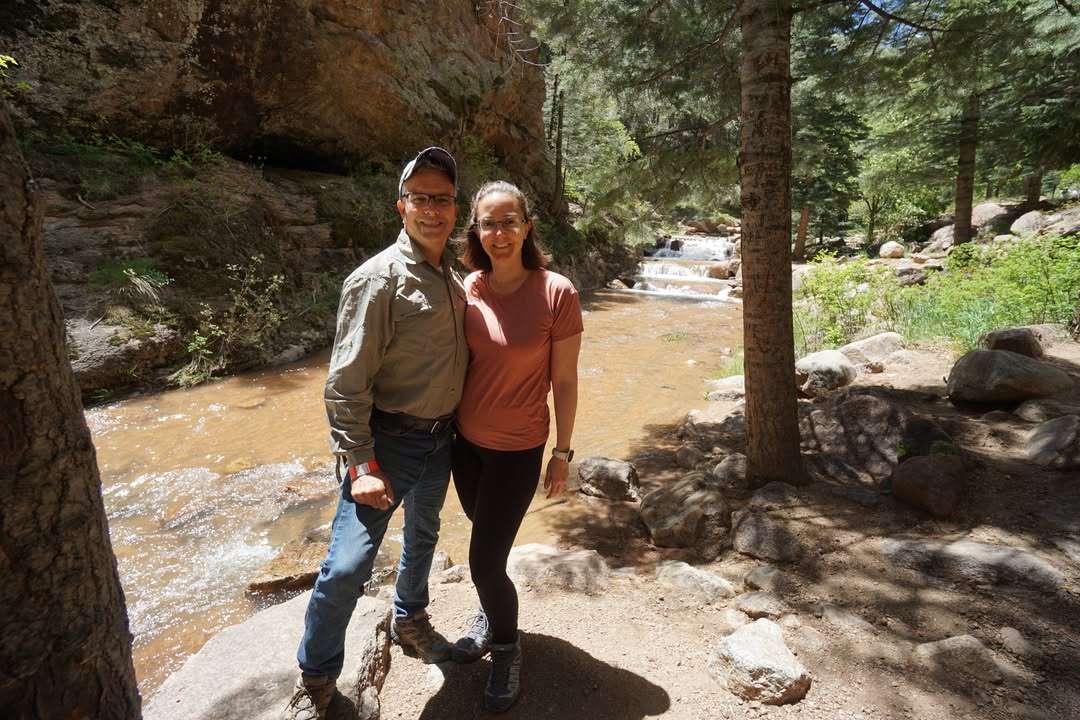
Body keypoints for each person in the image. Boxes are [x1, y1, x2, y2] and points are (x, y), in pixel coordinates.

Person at [286, 147, 468, 720]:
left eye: (442, 198)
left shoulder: (453, 276)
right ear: (401, 205)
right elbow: (343, 384)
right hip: (386, 443)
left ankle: (409, 622)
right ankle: (316, 681)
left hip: (442, 438)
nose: (432, 209)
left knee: (424, 535)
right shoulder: (377, 279)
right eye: (421, 198)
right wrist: (361, 465)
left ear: (455, 207)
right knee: (345, 566)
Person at [449, 181, 584, 712]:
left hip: (519, 449)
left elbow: (566, 382)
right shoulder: (467, 288)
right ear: (476, 231)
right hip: (465, 444)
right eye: (488, 223)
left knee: (483, 561)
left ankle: (506, 648)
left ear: (527, 227)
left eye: (509, 222)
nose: (499, 233)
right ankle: (490, 611)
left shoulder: (558, 292)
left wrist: (563, 452)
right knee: (489, 549)